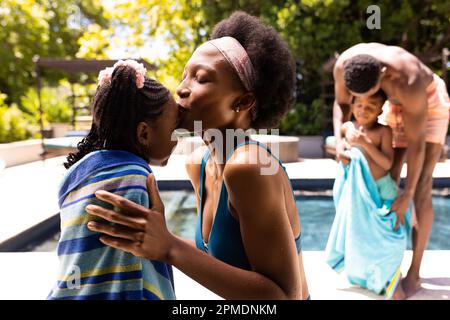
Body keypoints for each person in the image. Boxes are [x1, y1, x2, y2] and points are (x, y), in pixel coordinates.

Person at [85, 11, 310, 299]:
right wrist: (160, 237)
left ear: (243, 101)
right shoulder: (200, 163)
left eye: (201, 78)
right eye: (185, 75)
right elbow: (220, 261)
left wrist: (170, 247)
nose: (181, 88)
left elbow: (283, 297)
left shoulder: (249, 166)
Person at [48, 60, 180, 300]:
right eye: (175, 129)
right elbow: (131, 273)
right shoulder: (135, 179)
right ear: (143, 133)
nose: (176, 139)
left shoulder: (77, 176)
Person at [332, 43, 450, 296]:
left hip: (426, 103)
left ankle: (415, 274)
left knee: (420, 187)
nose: (360, 104)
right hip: (391, 103)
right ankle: (382, 262)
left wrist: (407, 196)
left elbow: (416, 144)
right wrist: (339, 139)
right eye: (357, 98)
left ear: (383, 74)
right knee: (386, 184)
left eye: (367, 95)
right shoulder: (344, 65)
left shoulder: (410, 78)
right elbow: (342, 106)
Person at [325, 90, 411, 299]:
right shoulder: (348, 127)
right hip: (357, 191)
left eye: (371, 107)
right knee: (361, 236)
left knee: (390, 236)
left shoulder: (384, 131)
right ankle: (367, 277)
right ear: (352, 105)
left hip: (382, 189)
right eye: (359, 105)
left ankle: (392, 277)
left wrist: (365, 144)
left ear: (381, 110)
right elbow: (340, 149)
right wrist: (343, 152)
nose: (364, 110)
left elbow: (387, 163)